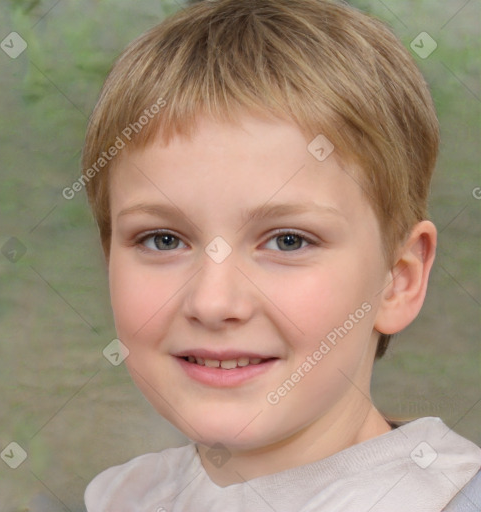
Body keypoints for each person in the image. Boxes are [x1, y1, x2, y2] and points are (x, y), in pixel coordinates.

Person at [80, 0, 481, 510]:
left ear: (398, 280)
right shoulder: (123, 498)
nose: (212, 301)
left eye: (288, 241)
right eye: (164, 239)